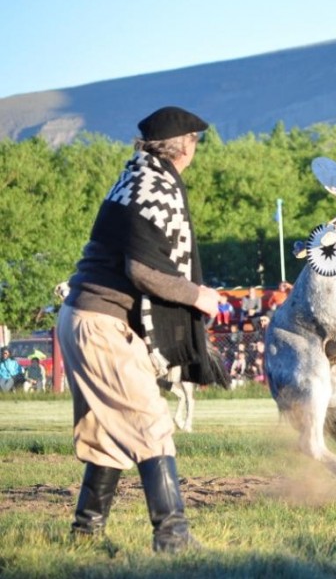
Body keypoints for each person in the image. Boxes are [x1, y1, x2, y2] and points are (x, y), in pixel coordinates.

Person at [55, 106, 221, 552]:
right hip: (100, 322)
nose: (195, 150)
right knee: (151, 425)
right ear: (185, 145)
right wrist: (196, 295)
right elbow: (143, 270)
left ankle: (85, 535)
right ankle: (173, 537)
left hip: (83, 317)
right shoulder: (155, 186)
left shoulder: (135, 178)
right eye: (196, 143)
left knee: (107, 432)